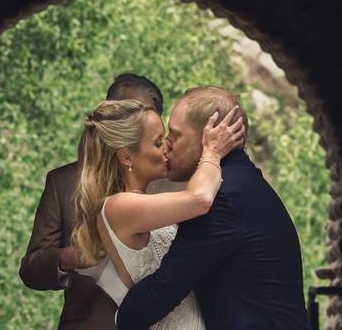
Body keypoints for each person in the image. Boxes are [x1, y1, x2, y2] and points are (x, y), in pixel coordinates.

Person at [116, 86, 311, 330]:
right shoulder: (242, 182)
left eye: (175, 135)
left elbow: (165, 287)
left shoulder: (223, 198)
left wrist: (118, 318)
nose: (167, 144)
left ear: (208, 138)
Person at [71, 98, 245, 330]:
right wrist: (212, 152)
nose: (167, 147)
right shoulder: (118, 207)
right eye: (157, 142)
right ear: (127, 157)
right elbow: (200, 199)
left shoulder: (149, 198)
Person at [19, 74, 164, 330]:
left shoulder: (172, 182)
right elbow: (31, 269)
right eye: (122, 113)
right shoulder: (63, 182)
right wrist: (70, 258)